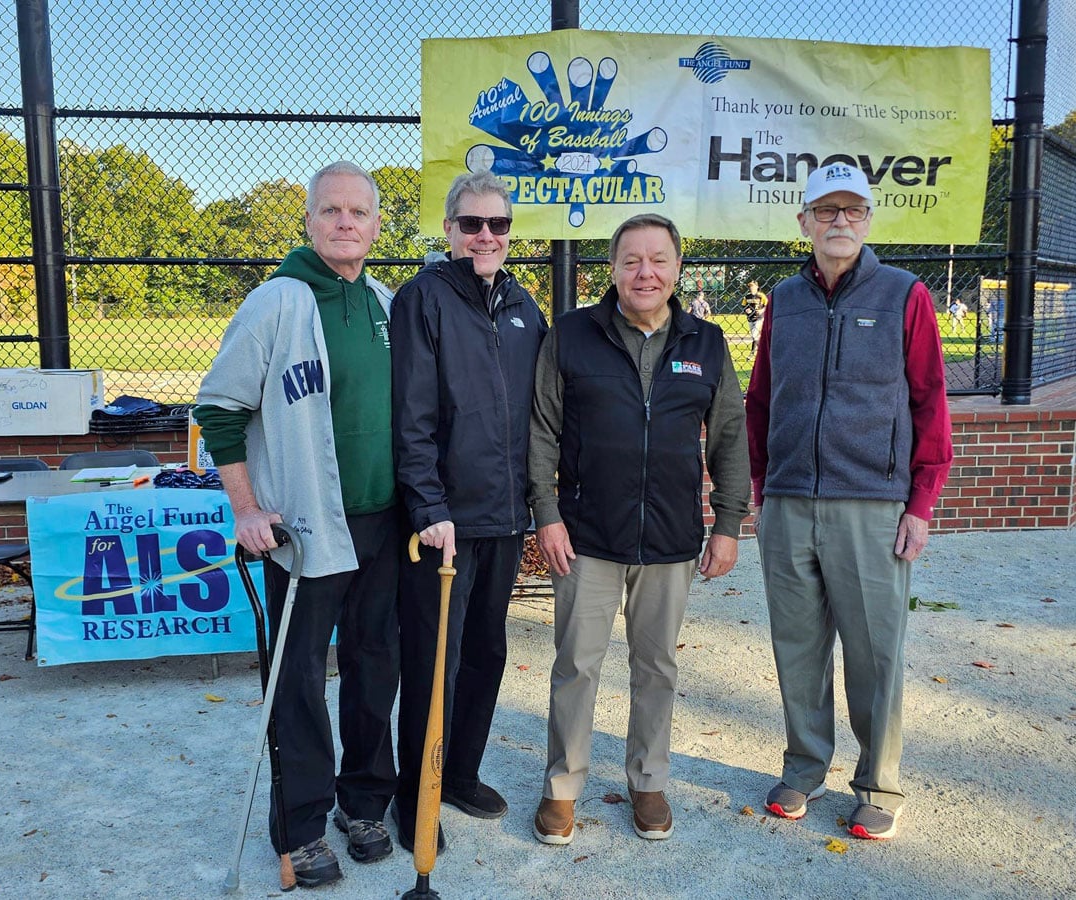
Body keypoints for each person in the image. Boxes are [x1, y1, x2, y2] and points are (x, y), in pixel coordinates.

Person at [194, 161, 400, 887]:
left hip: (382, 525)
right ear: (309, 221)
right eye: (331, 211)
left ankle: (365, 803)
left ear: (378, 225)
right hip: (307, 529)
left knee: (378, 669)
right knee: (301, 680)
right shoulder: (277, 301)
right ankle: (302, 827)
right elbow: (218, 408)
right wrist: (245, 507)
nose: (346, 223)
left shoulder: (384, 300)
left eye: (359, 213)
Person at [746, 163, 953, 841]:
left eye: (853, 210)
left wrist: (920, 503)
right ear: (803, 222)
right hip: (787, 501)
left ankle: (879, 783)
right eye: (826, 210)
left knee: (875, 652)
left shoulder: (905, 294)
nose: (840, 222)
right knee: (798, 646)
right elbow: (762, 395)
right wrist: (759, 482)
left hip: (873, 502)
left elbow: (928, 400)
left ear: (869, 220)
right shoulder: (785, 299)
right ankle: (804, 767)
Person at [528, 213, 750, 846]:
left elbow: (729, 439)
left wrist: (728, 523)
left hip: (671, 541)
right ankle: (563, 786)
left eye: (658, 260)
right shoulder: (571, 335)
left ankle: (647, 780)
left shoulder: (707, 343)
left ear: (678, 269)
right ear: (614, 269)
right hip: (586, 536)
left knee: (656, 667)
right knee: (576, 664)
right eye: (631, 260)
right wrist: (546, 514)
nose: (645, 272)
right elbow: (542, 431)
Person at [390, 171, 547, 852]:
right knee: (434, 661)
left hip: (505, 519)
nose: (487, 236)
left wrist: (541, 507)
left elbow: (543, 415)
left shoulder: (524, 306)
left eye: (499, 225)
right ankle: (413, 795)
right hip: (445, 522)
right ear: (450, 229)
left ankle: (459, 773)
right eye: (473, 224)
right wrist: (428, 505)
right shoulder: (423, 298)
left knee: (486, 652)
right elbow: (412, 413)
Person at [742, 279, 768, 355]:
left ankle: (752, 352)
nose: (751, 288)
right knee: (755, 336)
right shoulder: (747, 296)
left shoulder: (761, 296)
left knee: (754, 334)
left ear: (757, 287)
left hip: (759, 318)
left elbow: (767, 305)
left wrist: (762, 310)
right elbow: (743, 306)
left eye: (753, 286)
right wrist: (746, 310)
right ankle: (763, 350)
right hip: (750, 318)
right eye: (750, 286)